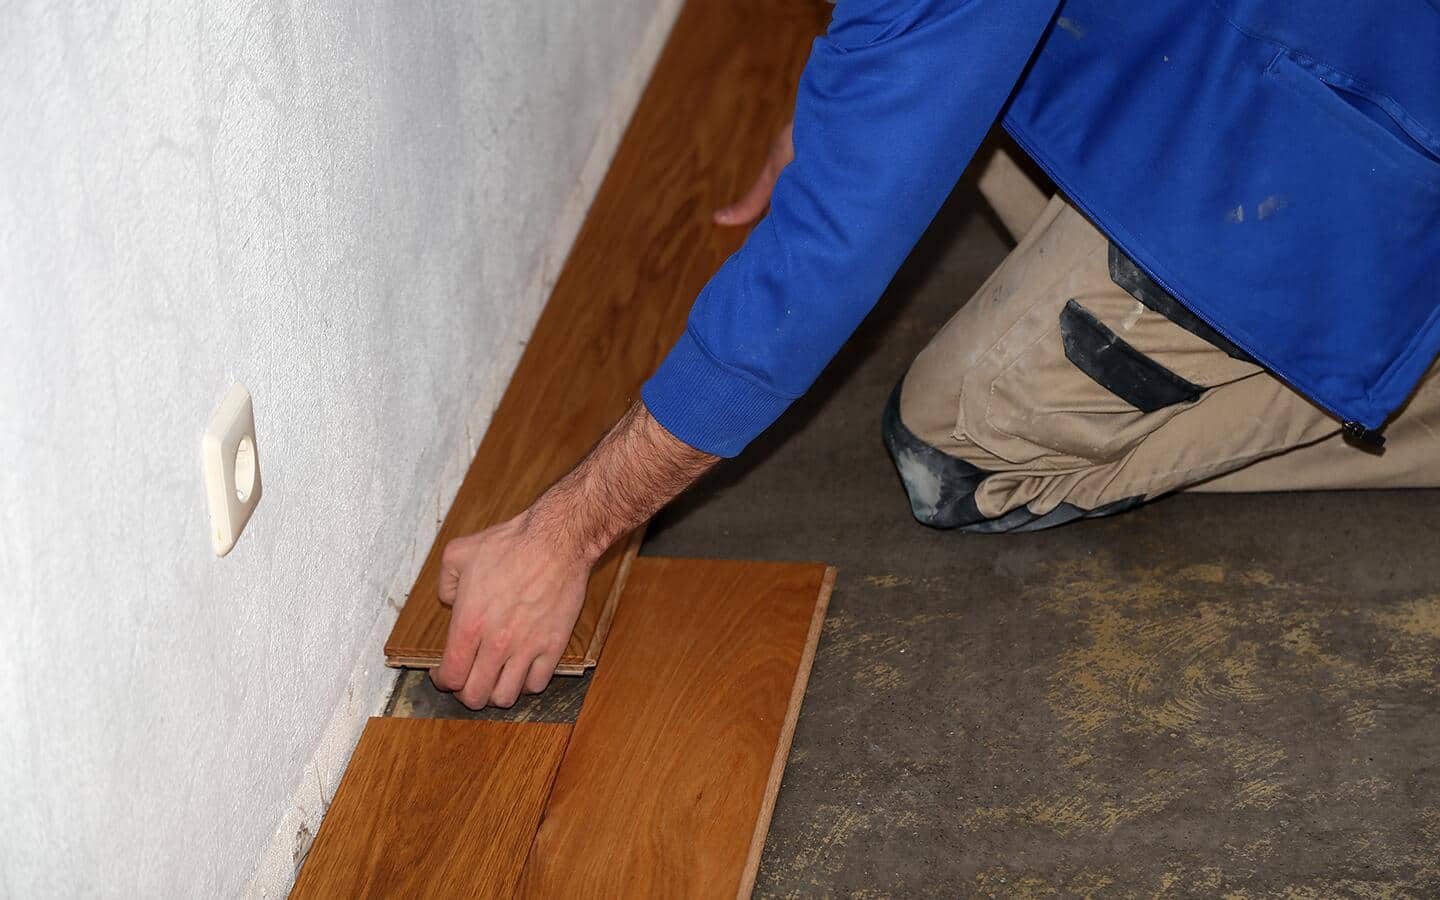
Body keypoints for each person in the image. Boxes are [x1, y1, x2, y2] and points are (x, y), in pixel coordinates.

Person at [432, 0, 1440, 709]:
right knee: (970, 131)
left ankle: (1407, 365)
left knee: (954, 449)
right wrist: (862, 95)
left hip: (1367, 129)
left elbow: (827, 259)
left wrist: (564, 534)